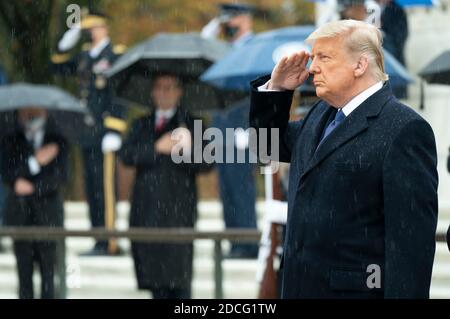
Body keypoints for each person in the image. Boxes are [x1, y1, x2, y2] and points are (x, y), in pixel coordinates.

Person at [250, 20, 438, 298]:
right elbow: (266, 147)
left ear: (360, 65)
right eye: (314, 58)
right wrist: (276, 91)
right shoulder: (319, 115)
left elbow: (410, 249)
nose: (312, 67)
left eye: (324, 57)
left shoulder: (404, 129)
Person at [119, 74, 212, 299]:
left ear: (179, 91)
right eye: (159, 87)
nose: (164, 93)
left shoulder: (192, 123)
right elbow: (127, 155)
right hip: (146, 210)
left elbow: (207, 163)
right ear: (152, 91)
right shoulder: (141, 124)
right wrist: (156, 147)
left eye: (170, 88)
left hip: (178, 211)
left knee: (179, 282)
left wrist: (188, 150)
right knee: (153, 280)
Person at [51, 10, 127, 256]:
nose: (90, 32)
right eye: (87, 28)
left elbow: (119, 93)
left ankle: (110, 240)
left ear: (104, 27)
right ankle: (98, 237)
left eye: (94, 27)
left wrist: (115, 128)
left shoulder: (115, 55)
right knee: (92, 188)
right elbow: (57, 64)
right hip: (86, 133)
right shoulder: (84, 56)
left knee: (105, 188)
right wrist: (68, 38)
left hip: (105, 131)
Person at [205, 3, 259, 258]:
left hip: (242, 129)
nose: (228, 25)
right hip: (222, 128)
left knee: (241, 187)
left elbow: (260, 90)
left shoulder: (254, 48)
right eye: (225, 20)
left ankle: (248, 242)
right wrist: (208, 40)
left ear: (245, 19)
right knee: (226, 187)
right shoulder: (223, 50)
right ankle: (234, 240)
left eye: (233, 19)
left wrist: (250, 128)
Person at [0, 108, 68, 299]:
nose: (30, 115)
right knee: (24, 273)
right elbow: (9, 173)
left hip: (48, 216)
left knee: (49, 274)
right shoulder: (10, 139)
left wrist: (32, 188)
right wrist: (35, 162)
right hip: (20, 216)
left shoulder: (57, 141)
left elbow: (60, 177)